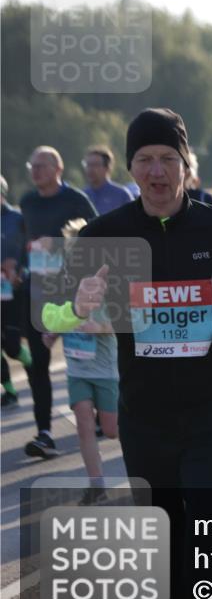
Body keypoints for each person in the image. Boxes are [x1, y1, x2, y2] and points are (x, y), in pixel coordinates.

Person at [42, 108, 212, 599]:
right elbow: (52, 312)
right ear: (131, 168)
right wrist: (75, 307)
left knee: (202, 552)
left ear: (186, 165)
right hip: (147, 422)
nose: (157, 171)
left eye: (168, 159)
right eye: (145, 160)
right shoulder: (105, 236)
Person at [20, 146, 98, 458]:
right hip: (37, 290)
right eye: (32, 165)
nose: (34, 171)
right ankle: (45, 433)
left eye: (41, 165)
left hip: (72, 291)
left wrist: (59, 251)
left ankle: (102, 412)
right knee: (38, 363)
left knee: (84, 357)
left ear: (58, 168)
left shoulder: (76, 200)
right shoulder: (26, 202)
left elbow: (96, 238)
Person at [41, 218, 119, 505]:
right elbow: (64, 314)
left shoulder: (109, 279)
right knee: (84, 421)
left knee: (111, 430)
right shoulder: (66, 282)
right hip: (77, 367)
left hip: (106, 367)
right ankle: (97, 485)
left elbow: (130, 319)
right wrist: (53, 332)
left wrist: (101, 328)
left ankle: (155, 440)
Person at [1, 176, 31, 407]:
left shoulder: (18, 219)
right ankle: (10, 391)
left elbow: (32, 251)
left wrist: (22, 270)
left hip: (15, 292)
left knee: (11, 345)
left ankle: (35, 365)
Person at [81, 145, 134, 215]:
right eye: (88, 165)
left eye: (95, 165)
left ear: (108, 168)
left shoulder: (122, 195)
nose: (90, 169)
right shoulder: (82, 195)